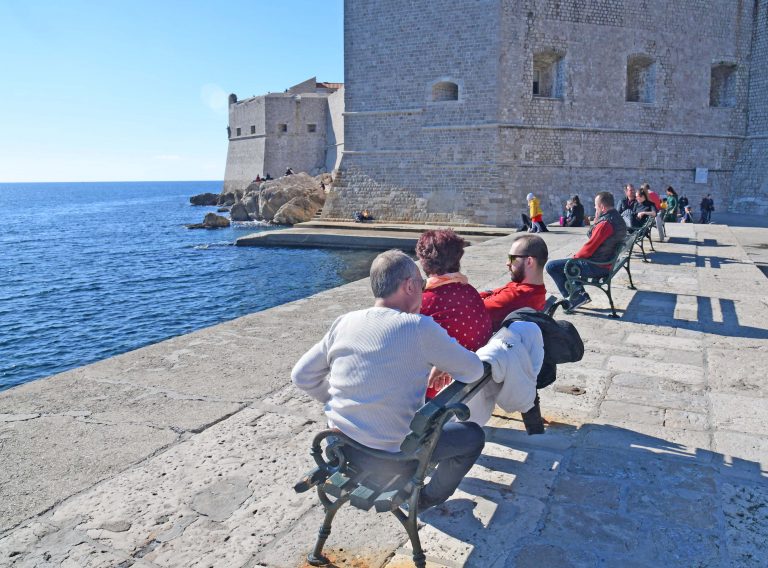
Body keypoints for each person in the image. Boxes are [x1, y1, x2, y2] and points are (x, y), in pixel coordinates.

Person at [291, 250, 485, 512]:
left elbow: (301, 376)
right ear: (409, 285)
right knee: (472, 436)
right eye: (422, 284)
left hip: (340, 447)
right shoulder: (419, 327)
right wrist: (440, 361)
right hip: (393, 455)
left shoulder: (344, 322)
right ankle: (425, 500)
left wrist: (337, 399)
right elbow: (473, 371)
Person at [416, 229, 493, 397]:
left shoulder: (424, 301)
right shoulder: (470, 291)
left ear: (424, 261)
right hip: (469, 387)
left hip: (436, 394)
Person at [545, 191, 627, 311]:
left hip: (598, 266)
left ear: (602, 207)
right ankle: (580, 294)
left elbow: (589, 247)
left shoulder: (605, 224)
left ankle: (574, 298)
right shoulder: (617, 218)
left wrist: (574, 258)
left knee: (552, 266)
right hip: (607, 262)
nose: (594, 207)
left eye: (596, 205)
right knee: (569, 265)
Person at [480, 234, 548, 331]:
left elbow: (469, 308)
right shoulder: (535, 290)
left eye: (512, 258)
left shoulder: (516, 295)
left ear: (529, 261)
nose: (507, 263)